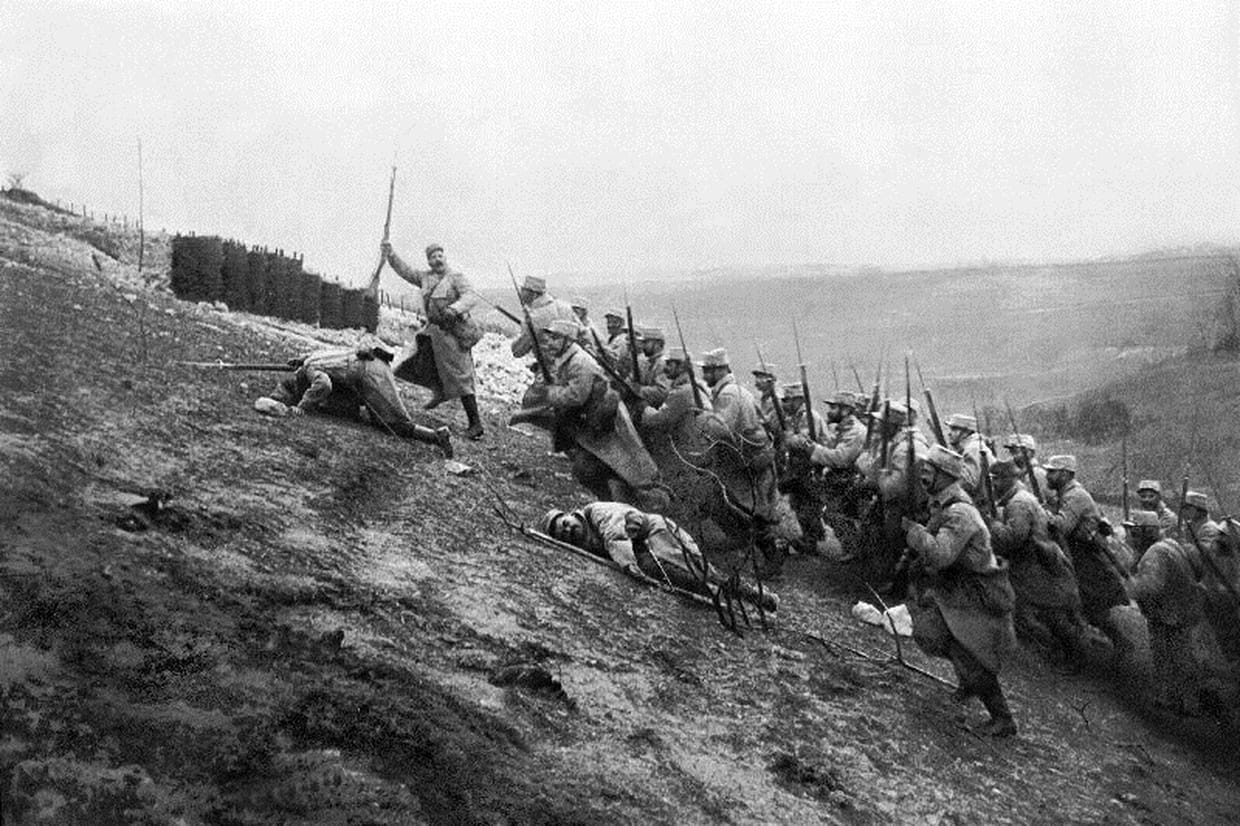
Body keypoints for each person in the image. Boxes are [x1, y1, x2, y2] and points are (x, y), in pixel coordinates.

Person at [901, 445, 1018, 736]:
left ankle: (1003, 719)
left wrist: (916, 534)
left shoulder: (960, 512)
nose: (924, 473)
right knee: (935, 634)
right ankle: (968, 684)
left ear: (945, 476)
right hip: (959, 586)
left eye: (930, 470)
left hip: (978, 591)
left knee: (968, 651)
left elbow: (941, 554)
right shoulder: (943, 502)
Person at [522, 319, 663, 509]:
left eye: (555, 338)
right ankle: (611, 504)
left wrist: (550, 392)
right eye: (550, 338)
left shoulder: (580, 362)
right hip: (592, 421)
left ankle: (645, 502)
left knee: (627, 467)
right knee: (591, 469)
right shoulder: (566, 358)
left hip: (607, 420)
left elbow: (575, 396)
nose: (550, 342)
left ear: (567, 340)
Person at [539, 502, 777, 612]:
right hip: (644, 546)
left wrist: (629, 566)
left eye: (566, 524)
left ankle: (754, 596)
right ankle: (736, 598)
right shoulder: (586, 540)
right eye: (564, 535)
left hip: (658, 533)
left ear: (570, 514)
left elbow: (617, 535)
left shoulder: (597, 512)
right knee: (695, 576)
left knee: (697, 572)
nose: (568, 531)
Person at [257, 344, 453, 458]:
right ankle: (434, 436)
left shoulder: (310, 371)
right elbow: (317, 367)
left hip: (371, 373)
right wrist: (300, 360)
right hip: (366, 364)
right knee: (351, 407)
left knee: (392, 423)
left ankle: (436, 436)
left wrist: (302, 406)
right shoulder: (312, 358)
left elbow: (323, 385)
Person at [986, 459, 1095, 662]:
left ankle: (1072, 656)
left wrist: (991, 524)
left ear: (1007, 480)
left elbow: (1012, 539)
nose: (993, 487)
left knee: (1049, 614)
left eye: (996, 481)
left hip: (1038, 566)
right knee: (1043, 613)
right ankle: (1061, 652)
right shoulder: (1018, 498)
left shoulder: (1019, 503)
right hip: (1038, 563)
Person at [383, 242, 485, 440]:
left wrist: (454, 309)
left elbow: (471, 296)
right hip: (432, 334)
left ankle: (476, 424)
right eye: (432, 257)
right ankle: (438, 392)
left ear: (444, 257)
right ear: (428, 261)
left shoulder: (456, 278)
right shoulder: (425, 278)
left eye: (440, 255)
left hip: (453, 333)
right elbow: (406, 271)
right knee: (416, 362)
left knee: (461, 376)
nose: (437, 259)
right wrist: (391, 254)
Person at [697, 348, 786, 573]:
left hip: (750, 461)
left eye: (708, 371)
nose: (704, 375)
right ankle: (739, 538)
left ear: (720, 370)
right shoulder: (736, 390)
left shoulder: (729, 395)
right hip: (747, 458)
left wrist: (701, 418)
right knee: (727, 501)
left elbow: (719, 428)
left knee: (750, 509)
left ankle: (773, 559)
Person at [1123, 510, 1208, 715]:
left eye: (1135, 532)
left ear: (1147, 532)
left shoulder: (1155, 553)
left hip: (1172, 613)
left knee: (1171, 656)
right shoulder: (1168, 545)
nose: (1131, 537)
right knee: (1178, 655)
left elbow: (1150, 586)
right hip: (1180, 609)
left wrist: (1129, 586)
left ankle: (1182, 702)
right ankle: (1179, 699)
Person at [1044, 455, 1130, 654]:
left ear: (1065, 474)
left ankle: (1118, 648)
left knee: (1092, 608)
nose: (1047, 476)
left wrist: (1044, 514)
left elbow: (1062, 527)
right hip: (1078, 555)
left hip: (1087, 559)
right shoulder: (1066, 493)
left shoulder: (1075, 496)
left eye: (1052, 472)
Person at [511, 275, 576, 359]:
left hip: (552, 367)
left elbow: (517, 351)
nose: (521, 293)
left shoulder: (534, 317)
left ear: (534, 294)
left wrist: (525, 327)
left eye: (524, 290)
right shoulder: (565, 306)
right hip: (572, 359)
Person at [945, 413, 995, 499]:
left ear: (966, 432)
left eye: (954, 429)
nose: (949, 433)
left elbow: (968, 483)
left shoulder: (973, 448)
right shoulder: (969, 447)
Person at [636, 327, 672, 407]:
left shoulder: (662, 364)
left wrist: (639, 390)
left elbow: (661, 392)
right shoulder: (646, 363)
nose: (643, 346)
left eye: (646, 342)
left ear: (658, 344)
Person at [1004, 433, 1047, 500]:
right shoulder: (1018, 472)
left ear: (1030, 452)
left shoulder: (1037, 473)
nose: (1012, 456)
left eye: (1016, 451)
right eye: (1011, 451)